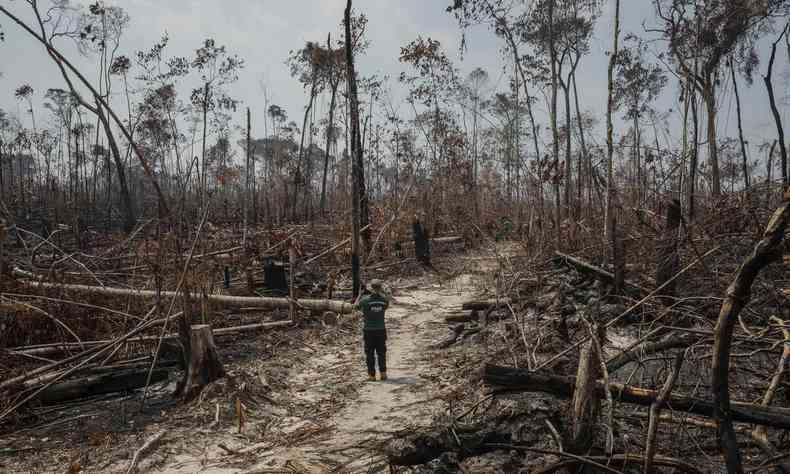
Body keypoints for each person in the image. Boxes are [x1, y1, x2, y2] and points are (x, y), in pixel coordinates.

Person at [355, 279, 389, 381]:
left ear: (371, 288)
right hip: (381, 329)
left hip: (369, 330)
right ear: (380, 288)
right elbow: (385, 306)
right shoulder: (384, 301)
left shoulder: (365, 301)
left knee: (369, 353)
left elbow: (356, 307)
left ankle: (371, 375)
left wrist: (359, 296)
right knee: (381, 352)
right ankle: (383, 373)